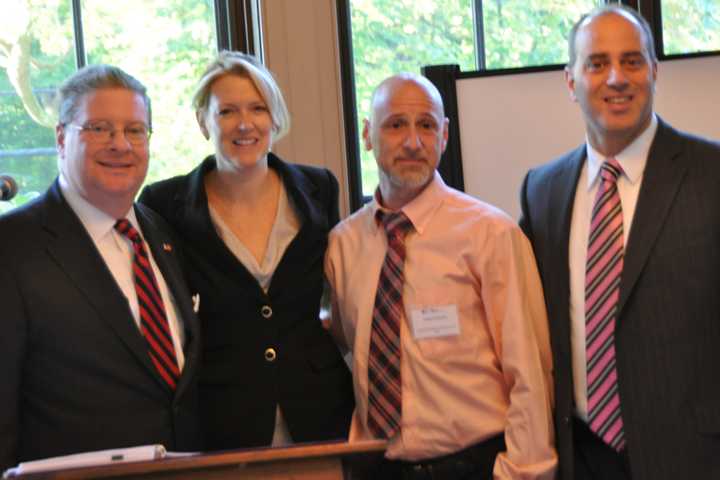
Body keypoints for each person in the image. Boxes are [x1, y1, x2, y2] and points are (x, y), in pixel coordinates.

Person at [519, 5, 720, 480]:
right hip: (583, 458)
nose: (616, 78)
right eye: (596, 63)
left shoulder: (712, 174)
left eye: (632, 61)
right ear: (571, 81)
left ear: (654, 71)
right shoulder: (542, 190)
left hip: (695, 457)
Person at [324, 72, 557, 479]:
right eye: (396, 125)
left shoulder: (491, 234)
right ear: (366, 134)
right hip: (376, 468)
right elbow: (349, 348)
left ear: (444, 135)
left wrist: (524, 472)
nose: (413, 142)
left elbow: (530, 374)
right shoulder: (343, 245)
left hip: (472, 465)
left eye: (427, 125)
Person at [139, 51, 354, 450]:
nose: (244, 123)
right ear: (203, 121)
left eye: (258, 108)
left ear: (275, 119)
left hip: (320, 410)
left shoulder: (320, 188)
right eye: (227, 112)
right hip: (221, 417)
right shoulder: (162, 204)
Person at [0, 65, 201, 472]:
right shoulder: (12, 246)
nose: (120, 145)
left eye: (135, 130)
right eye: (99, 129)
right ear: (61, 138)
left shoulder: (163, 232)